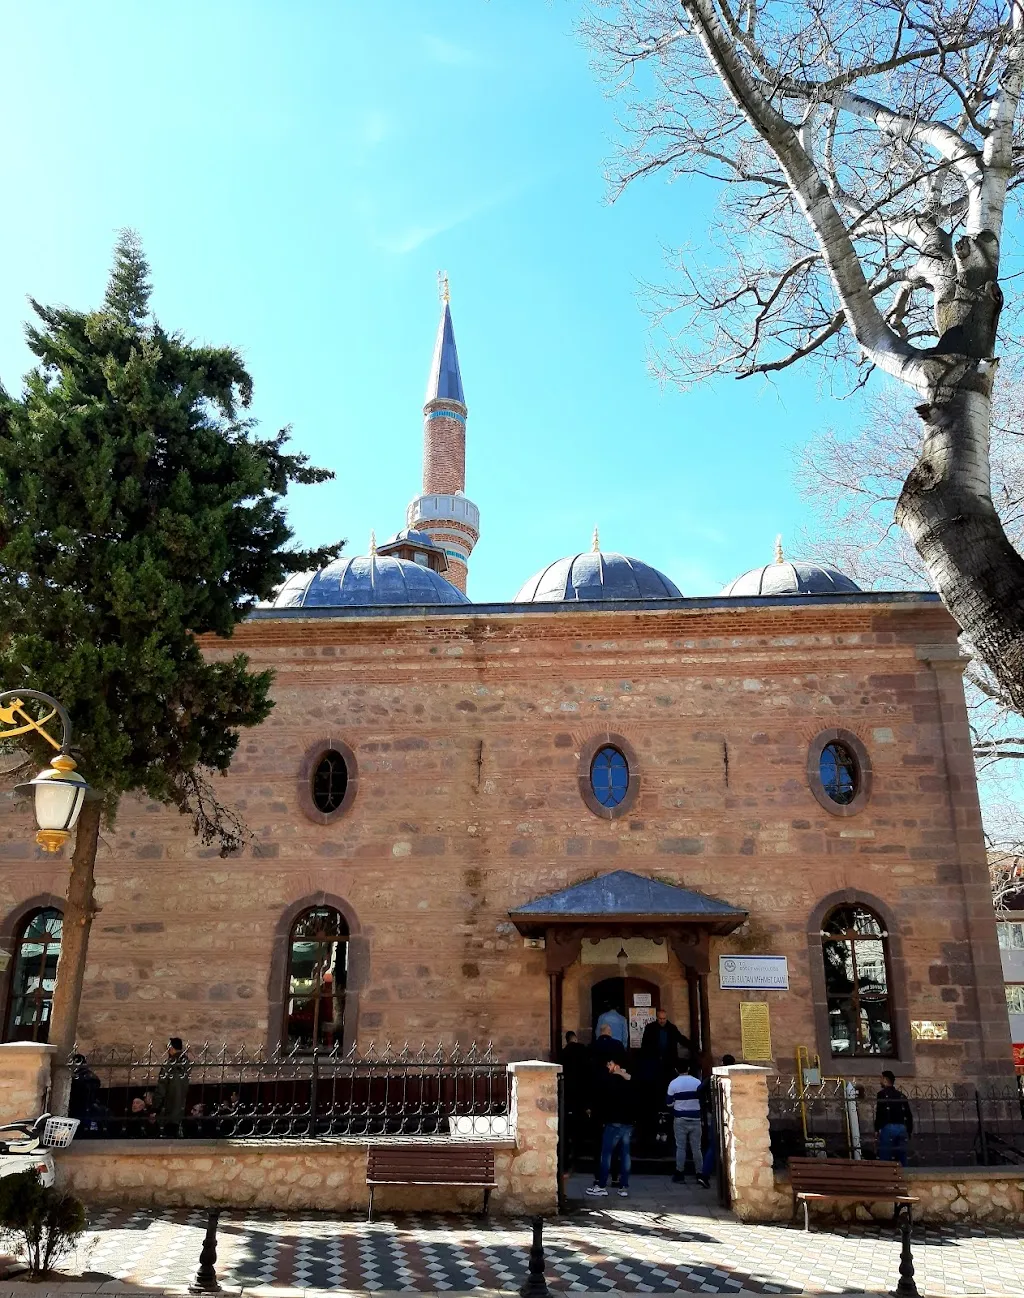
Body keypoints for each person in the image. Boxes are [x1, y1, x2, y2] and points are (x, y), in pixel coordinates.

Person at [586, 1057, 637, 1198]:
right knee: (625, 1154)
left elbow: (604, 1102)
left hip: (613, 1122)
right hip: (627, 1122)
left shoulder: (609, 1081)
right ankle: (623, 1187)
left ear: (616, 1065)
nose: (608, 1066)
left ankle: (602, 1185)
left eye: (610, 1064)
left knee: (606, 1154)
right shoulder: (630, 1082)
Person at [667, 1062, 708, 1187]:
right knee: (697, 1148)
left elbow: (669, 1103)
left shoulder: (673, 1083)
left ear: (675, 1069)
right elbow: (703, 1099)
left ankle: (680, 1173)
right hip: (695, 1118)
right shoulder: (696, 1082)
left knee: (681, 1147)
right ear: (688, 1068)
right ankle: (699, 1173)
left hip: (680, 1118)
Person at [700, 1054, 736, 1182]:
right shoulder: (735, 1076)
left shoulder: (714, 1077)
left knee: (714, 1145)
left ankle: (705, 1175)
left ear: (722, 1062)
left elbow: (699, 1090)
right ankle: (729, 1176)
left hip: (717, 1114)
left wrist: (708, 1104)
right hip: (734, 1113)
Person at [874, 1070, 913, 1166]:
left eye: (881, 1078)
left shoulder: (882, 1094)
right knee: (901, 1156)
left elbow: (880, 1112)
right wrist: (909, 1130)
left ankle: (885, 1176)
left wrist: (877, 1128)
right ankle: (904, 1176)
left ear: (885, 1080)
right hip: (902, 1127)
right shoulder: (901, 1095)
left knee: (885, 1155)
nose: (880, 1081)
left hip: (889, 1127)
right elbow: (908, 1114)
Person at [154, 1037, 191, 1136]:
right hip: (181, 1109)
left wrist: (155, 1107)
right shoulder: (186, 1064)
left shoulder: (169, 1064)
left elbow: (162, 1087)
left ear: (171, 1048)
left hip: (168, 1109)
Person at [640, 1008, 690, 1074]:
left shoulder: (672, 1028)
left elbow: (680, 1038)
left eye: (664, 1019)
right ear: (657, 1018)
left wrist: (692, 1045)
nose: (662, 1021)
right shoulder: (650, 1028)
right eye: (660, 1019)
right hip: (654, 1059)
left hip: (669, 1059)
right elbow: (644, 1043)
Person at [67, 1053, 103, 1131]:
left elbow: (93, 1085)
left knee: (82, 1127)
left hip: (84, 1105)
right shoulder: (73, 1074)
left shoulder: (88, 1075)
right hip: (74, 1105)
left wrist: (78, 1080)